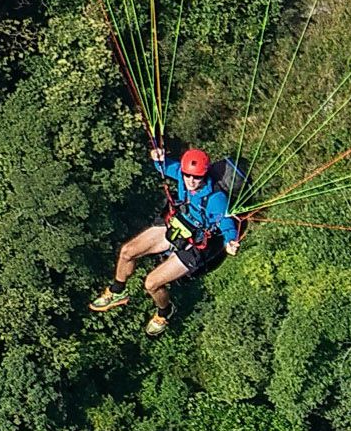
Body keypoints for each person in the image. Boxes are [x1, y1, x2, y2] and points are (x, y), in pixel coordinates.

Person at [89, 142, 239, 337]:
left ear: (204, 175)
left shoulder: (215, 199)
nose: (191, 181)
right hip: (178, 225)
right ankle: (118, 291)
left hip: (196, 245)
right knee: (127, 252)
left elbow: (226, 223)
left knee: (151, 283)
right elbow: (165, 166)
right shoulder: (181, 176)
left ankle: (164, 312)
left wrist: (230, 241)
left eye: (197, 177)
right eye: (188, 175)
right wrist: (157, 157)